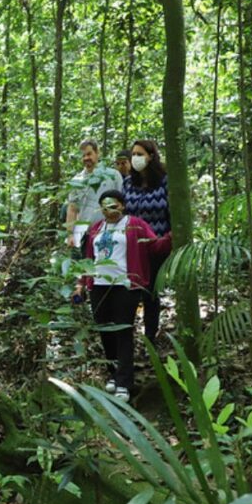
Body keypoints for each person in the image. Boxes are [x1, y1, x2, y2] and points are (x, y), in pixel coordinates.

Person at [72, 190, 171, 402]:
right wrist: (81, 284)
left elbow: (154, 246)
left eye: (114, 206)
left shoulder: (135, 224)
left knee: (123, 330)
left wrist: (173, 236)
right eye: (105, 207)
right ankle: (114, 373)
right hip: (98, 285)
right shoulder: (96, 228)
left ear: (122, 206)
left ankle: (125, 382)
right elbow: (88, 258)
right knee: (105, 330)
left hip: (126, 285)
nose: (110, 211)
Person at [123, 140, 170, 342]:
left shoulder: (165, 182)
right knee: (130, 292)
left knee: (150, 293)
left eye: (140, 154)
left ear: (151, 156)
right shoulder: (127, 183)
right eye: (133, 154)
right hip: (131, 248)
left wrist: (170, 239)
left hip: (157, 245)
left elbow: (173, 213)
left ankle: (150, 336)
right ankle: (126, 336)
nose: (135, 158)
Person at [65, 139, 123, 249]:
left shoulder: (113, 175)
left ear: (97, 153)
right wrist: (70, 235)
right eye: (83, 155)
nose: (86, 158)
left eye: (89, 154)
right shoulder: (76, 181)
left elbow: (122, 205)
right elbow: (72, 209)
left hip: (110, 233)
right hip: (85, 236)